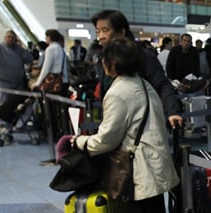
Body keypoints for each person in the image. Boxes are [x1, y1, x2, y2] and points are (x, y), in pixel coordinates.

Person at [70, 37, 179, 211]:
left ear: (112, 62)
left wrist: (79, 141)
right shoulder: (144, 85)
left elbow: (107, 140)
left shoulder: (118, 92)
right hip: (153, 173)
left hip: (134, 178)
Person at [91, 10, 183, 128]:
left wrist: (173, 111)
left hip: (142, 124)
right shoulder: (103, 59)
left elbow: (162, 85)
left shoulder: (142, 56)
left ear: (121, 32)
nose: (100, 37)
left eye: (105, 30)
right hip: (115, 123)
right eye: (98, 32)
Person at [0, 30, 34, 145]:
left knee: (20, 105)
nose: (10, 39)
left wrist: (22, 47)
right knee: (3, 105)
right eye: (8, 37)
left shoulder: (19, 50)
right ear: (5, 37)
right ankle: (4, 128)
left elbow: (30, 58)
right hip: (3, 81)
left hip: (18, 82)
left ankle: (15, 126)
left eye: (12, 37)